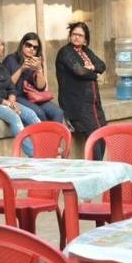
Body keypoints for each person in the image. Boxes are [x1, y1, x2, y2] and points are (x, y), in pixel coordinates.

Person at [56, 21, 107, 160]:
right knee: (94, 138)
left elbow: (102, 65)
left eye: (80, 35)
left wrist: (92, 67)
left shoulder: (85, 51)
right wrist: (93, 72)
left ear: (85, 39)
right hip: (78, 103)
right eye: (74, 34)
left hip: (94, 103)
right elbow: (79, 71)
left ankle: (99, 169)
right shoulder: (66, 52)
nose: (76, 38)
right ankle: (97, 170)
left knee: (102, 136)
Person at [2, 32, 65, 124]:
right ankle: (45, 137)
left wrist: (39, 69)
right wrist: (22, 69)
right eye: (28, 45)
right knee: (39, 113)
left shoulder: (36, 61)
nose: (31, 49)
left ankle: (54, 138)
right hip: (17, 95)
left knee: (58, 112)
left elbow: (41, 87)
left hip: (33, 96)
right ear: (22, 45)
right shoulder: (10, 59)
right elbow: (7, 85)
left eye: (35, 47)